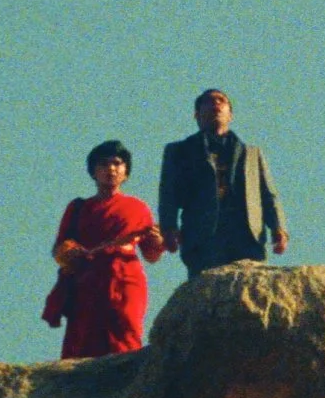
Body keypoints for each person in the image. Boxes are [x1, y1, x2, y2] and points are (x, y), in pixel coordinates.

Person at [42, 140, 164, 359]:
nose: (111, 169)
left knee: (125, 328)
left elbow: (151, 255)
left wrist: (158, 241)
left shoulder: (138, 207)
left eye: (117, 163)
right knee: (85, 335)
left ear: (126, 172)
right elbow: (59, 248)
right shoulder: (78, 208)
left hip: (125, 277)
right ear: (93, 172)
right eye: (104, 164)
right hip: (87, 280)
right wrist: (71, 253)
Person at [158, 89, 289, 279]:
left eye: (222, 101)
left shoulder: (251, 153)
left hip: (246, 235)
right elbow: (168, 194)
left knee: (249, 287)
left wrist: (278, 228)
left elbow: (268, 195)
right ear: (196, 114)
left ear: (231, 115)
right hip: (203, 236)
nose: (216, 104)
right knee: (206, 288)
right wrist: (169, 228)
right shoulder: (179, 151)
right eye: (209, 101)